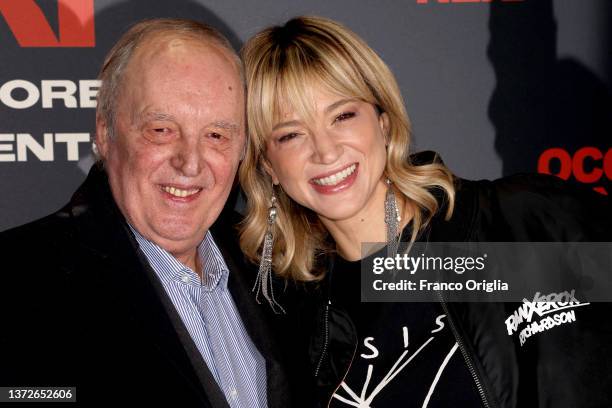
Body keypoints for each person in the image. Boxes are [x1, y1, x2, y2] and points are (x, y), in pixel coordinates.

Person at [238, 16, 612, 408]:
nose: (325, 151)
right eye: (291, 135)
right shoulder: (295, 324)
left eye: (343, 116)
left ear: (383, 123)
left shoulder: (518, 223)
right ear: (268, 166)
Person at [0, 19, 292, 407]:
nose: (190, 163)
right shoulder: (16, 281)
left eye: (217, 136)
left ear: (242, 146)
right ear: (105, 133)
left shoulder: (278, 267)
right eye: (161, 130)